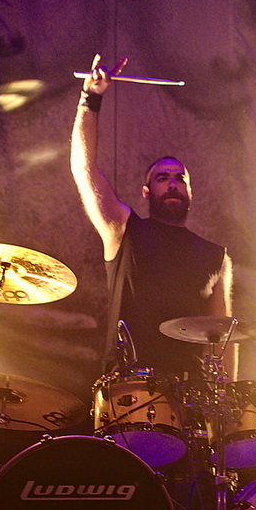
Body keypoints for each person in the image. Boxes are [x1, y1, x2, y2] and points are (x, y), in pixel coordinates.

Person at [70, 54, 237, 381]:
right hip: (128, 388)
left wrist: (228, 396)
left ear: (190, 192)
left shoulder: (216, 257)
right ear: (146, 192)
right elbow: (84, 168)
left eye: (180, 179)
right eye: (162, 178)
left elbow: (224, 336)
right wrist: (90, 98)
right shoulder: (124, 230)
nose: (172, 183)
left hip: (191, 393)